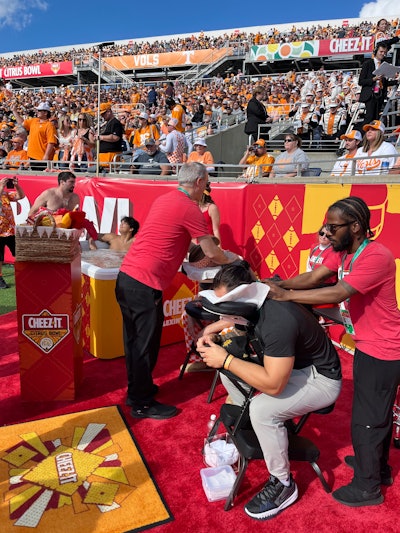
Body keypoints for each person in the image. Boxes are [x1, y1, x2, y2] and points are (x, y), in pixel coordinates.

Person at [265, 196, 400, 508]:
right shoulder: (344, 253)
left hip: (384, 350)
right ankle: (378, 470)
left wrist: (286, 297)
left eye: (333, 226)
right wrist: (280, 285)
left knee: (367, 420)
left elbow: (339, 291)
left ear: (355, 227)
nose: (326, 232)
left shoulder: (376, 256)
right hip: (372, 346)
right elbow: (314, 278)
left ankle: (368, 487)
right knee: (374, 415)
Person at [197, 261, 342, 520]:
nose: (225, 313)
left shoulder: (278, 319)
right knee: (228, 367)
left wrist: (226, 359)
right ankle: (257, 428)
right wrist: (211, 332)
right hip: (293, 366)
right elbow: (234, 317)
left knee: (262, 409)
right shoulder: (257, 298)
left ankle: (283, 483)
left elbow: (274, 384)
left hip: (320, 378)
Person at [115, 162, 239, 421]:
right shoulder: (189, 207)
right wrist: (233, 261)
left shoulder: (165, 198)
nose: (207, 186)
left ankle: (138, 390)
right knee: (143, 345)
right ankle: (141, 402)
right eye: (206, 181)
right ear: (198, 182)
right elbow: (210, 251)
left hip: (129, 277)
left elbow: (171, 238)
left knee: (135, 342)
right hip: (143, 283)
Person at [358, 43, 398, 128]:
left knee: (376, 118)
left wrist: (396, 81)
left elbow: (385, 83)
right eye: (381, 51)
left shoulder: (385, 64)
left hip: (379, 95)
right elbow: (361, 81)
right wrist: (373, 79)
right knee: (369, 117)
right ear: (376, 51)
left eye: (385, 52)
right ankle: (361, 137)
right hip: (370, 94)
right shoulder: (367, 64)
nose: (383, 54)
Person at [11, 102, 58, 172]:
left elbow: (51, 142)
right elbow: (21, 123)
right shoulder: (34, 121)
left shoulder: (49, 126)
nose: (37, 112)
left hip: (42, 158)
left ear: (45, 113)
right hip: (33, 156)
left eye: (39, 110)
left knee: (42, 178)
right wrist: (14, 111)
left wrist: (46, 155)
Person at [0, 176, 25, 289]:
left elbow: (21, 196)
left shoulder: (5, 194)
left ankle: (24, 274)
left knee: (18, 253)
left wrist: (16, 186)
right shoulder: (1, 192)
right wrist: (1, 186)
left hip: (9, 230)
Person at [95, 103, 124, 170]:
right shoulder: (107, 123)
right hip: (104, 155)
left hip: (111, 155)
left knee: (108, 173)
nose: (102, 116)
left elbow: (115, 137)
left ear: (109, 111)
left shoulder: (115, 122)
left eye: (103, 114)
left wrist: (101, 137)